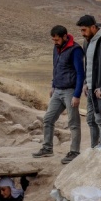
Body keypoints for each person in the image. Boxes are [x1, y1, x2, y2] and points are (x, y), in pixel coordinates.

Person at [32, 25, 85, 164]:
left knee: (73, 122)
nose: (54, 42)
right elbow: (56, 68)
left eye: (56, 39)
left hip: (70, 91)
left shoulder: (75, 50)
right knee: (48, 119)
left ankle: (74, 151)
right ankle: (47, 148)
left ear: (64, 36)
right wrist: (53, 85)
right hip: (57, 90)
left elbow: (80, 73)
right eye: (53, 40)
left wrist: (77, 94)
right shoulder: (56, 48)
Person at [77, 14, 101, 147]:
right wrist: (85, 83)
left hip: (100, 90)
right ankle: (94, 148)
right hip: (89, 88)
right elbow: (87, 65)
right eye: (81, 30)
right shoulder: (87, 41)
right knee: (90, 120)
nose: (82, 33)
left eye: (84, 30)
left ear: (93, 27)